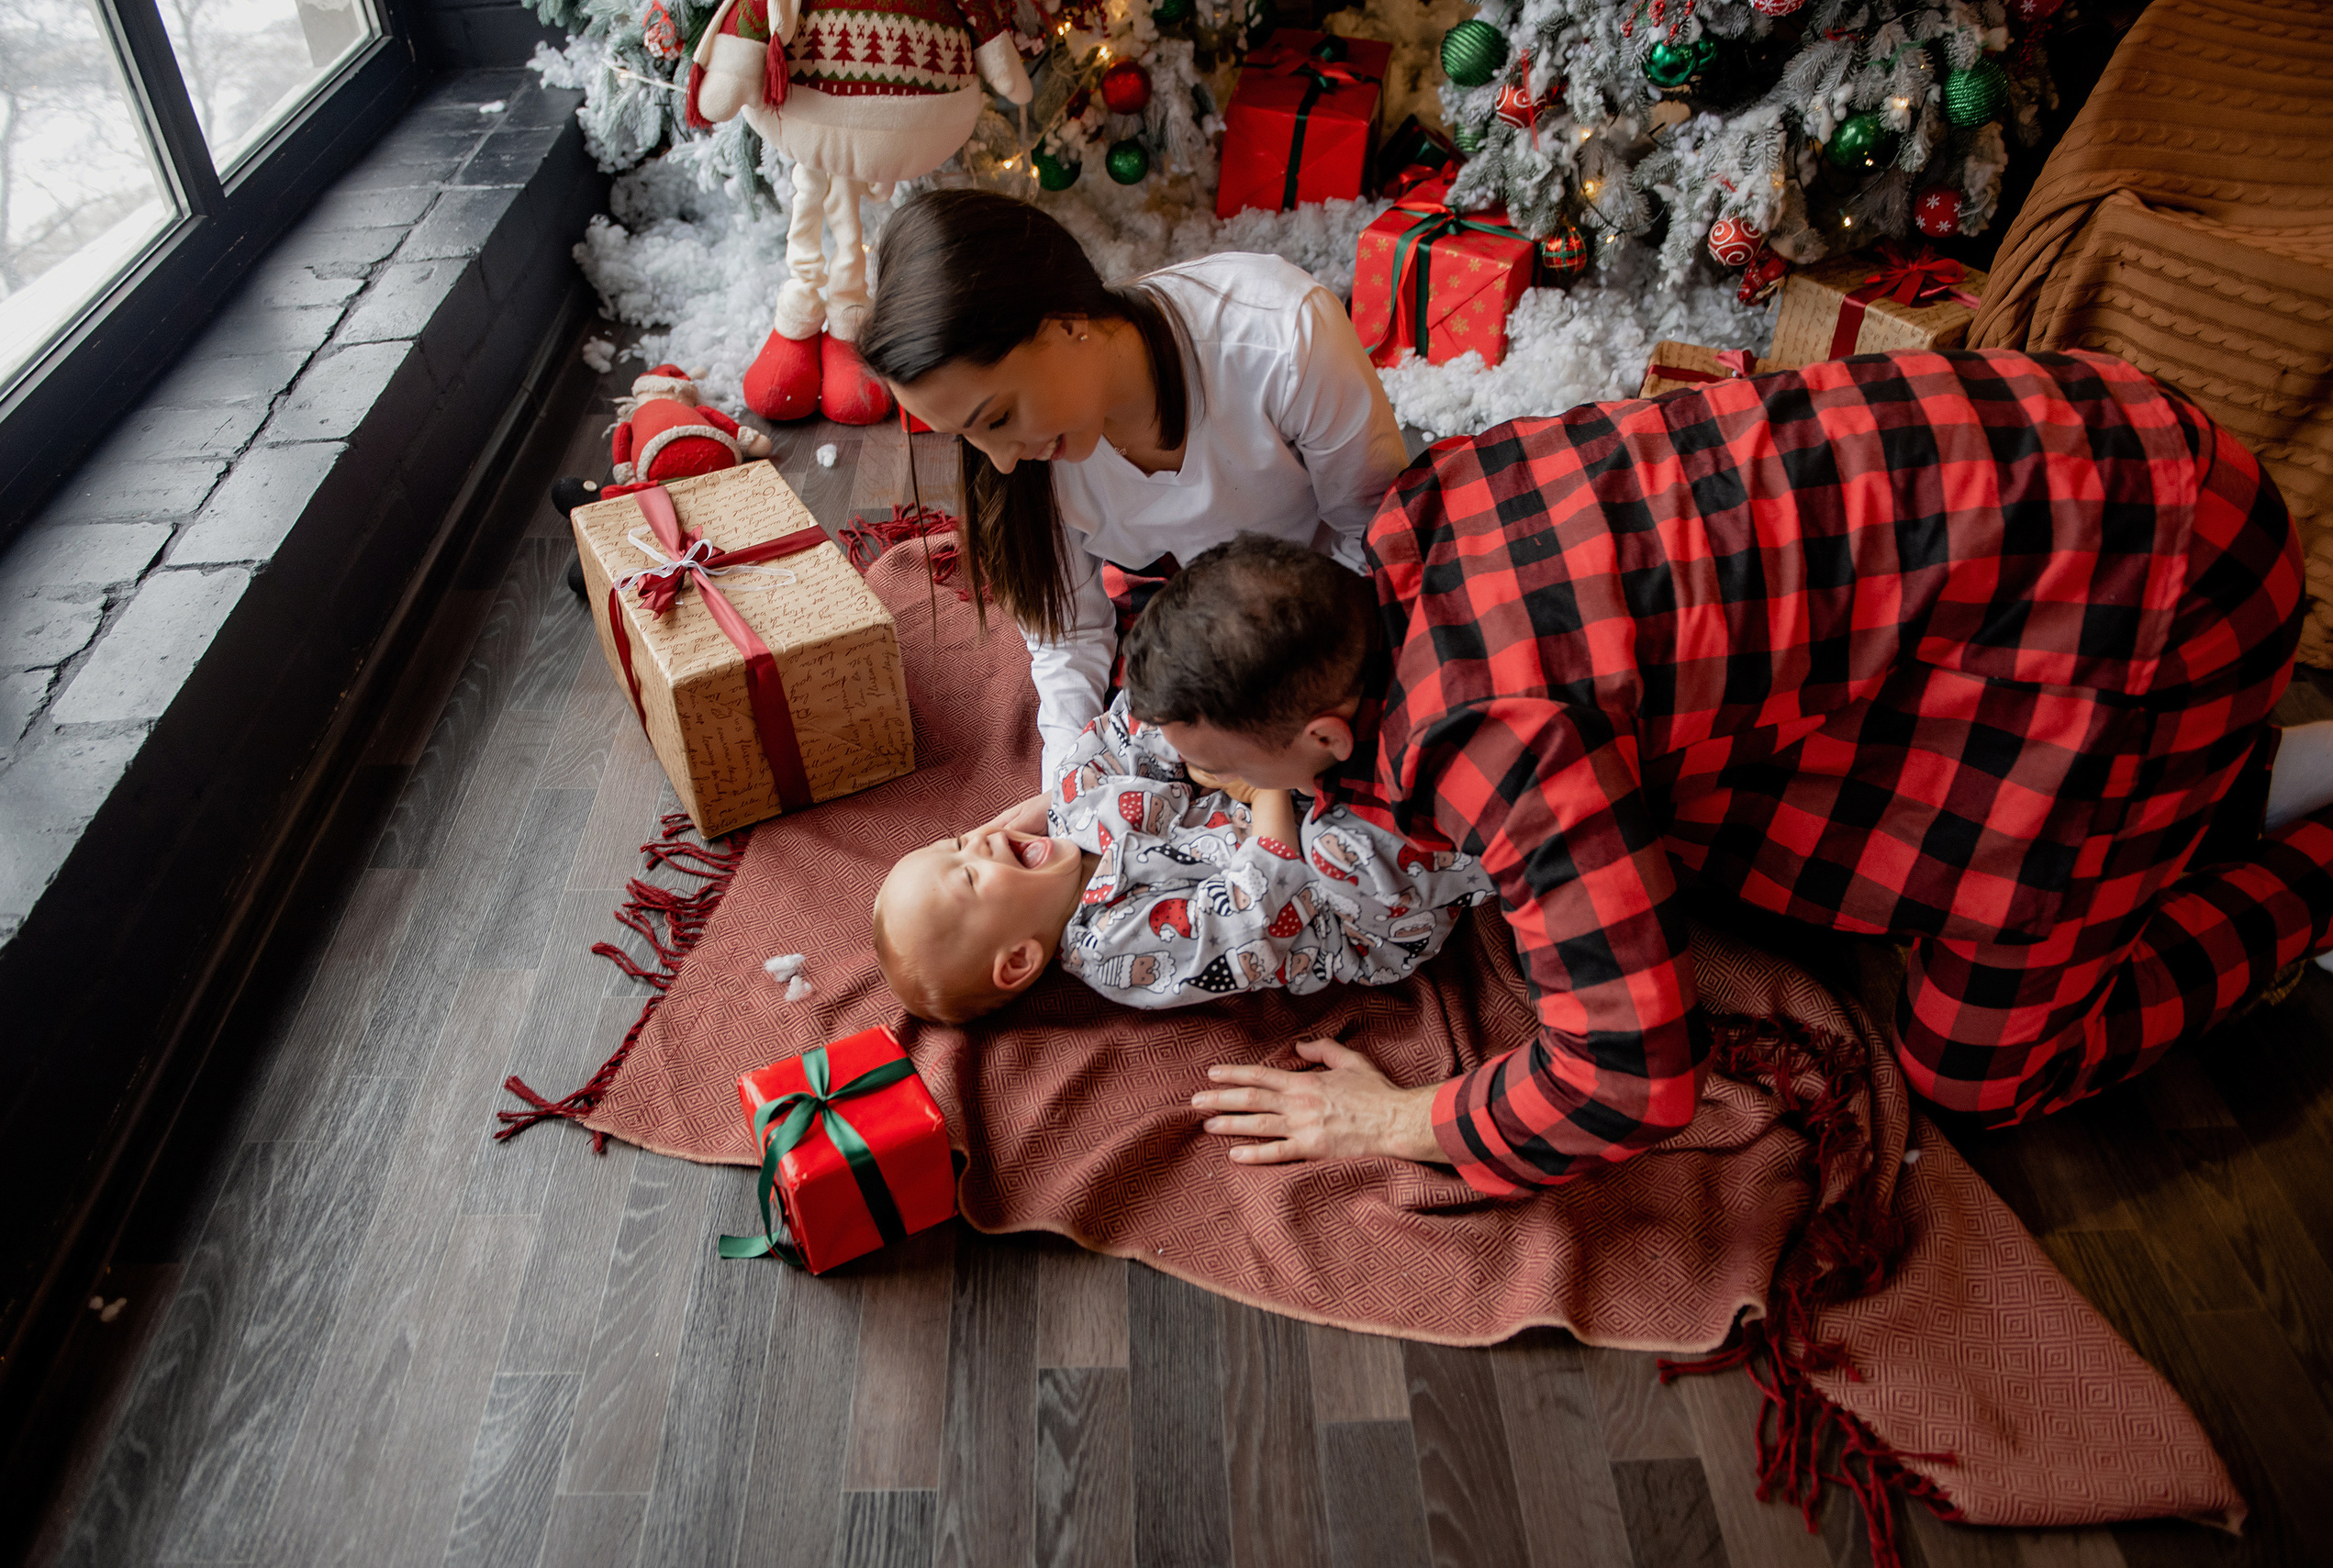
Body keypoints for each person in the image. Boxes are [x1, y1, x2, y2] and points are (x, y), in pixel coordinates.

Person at [1128, 350, 2333, 1195]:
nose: (1240, 799)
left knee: (1978, 1067)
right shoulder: (1419, 512)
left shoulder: (1500, 748)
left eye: (1238, 778)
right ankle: (2235, 779)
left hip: (2176, 582)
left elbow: (1632, 1077)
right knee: (1736, 841)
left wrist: (1404, 1119)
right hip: (2090, 434)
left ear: (1331, 734)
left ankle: (2304, 867)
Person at [855, 189, 1411, 789]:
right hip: (1201, 622)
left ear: (1067, 322)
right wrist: (1065, 794)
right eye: (964, 436)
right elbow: (1067, 636)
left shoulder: (1282, 335)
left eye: (997, 418)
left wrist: (1267, 712)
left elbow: (1378, 542)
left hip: (1325, 619)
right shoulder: (1027, 463)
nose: (1002, 461)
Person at [872, 676, 1492, 1022]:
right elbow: (1256, 907)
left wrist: (1207, 744)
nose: (980, 841)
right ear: (1018, 960)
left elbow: (1133, 726)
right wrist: (1266, 772)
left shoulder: (1073, 801)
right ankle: (1496, 833)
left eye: (957, 840)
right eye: (972, 877)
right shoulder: (1114, 948)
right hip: (1343, 909)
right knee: (1352, 839)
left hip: (1279, 790)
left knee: (1227, 684)